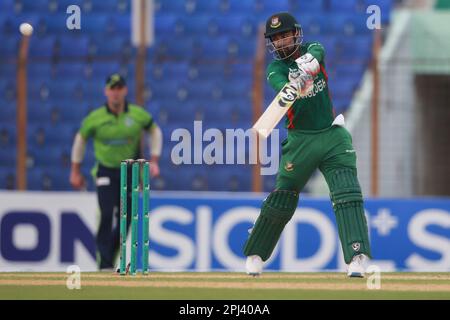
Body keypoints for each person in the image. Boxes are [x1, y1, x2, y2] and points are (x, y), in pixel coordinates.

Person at [243, 13, 372, 277]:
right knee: (282, 198)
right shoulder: (275, 70)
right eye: (275, 39)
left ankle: (356, 256)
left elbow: (317, 52)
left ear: (295, 34)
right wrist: (295, 84)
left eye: (284, 36)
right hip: (300, 140)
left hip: (332, 134)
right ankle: (256, 254)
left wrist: (307, 69)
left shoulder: (313, 48)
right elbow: (283, 90)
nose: (280, 42)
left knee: (346, 192)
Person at [70, 74, 162, 271]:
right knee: (106, 212)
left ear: (125, 91)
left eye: (119, 88)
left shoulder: (137, 115)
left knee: (127, 217)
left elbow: (154, 131)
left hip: (129, 170)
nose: (116, 92)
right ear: (106, 91)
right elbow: (80, 140)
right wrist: (75, 171)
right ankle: (104, 263)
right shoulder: (95, 118)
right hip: (105, 170)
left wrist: (154, 160)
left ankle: (109, 257)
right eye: (112, 88)